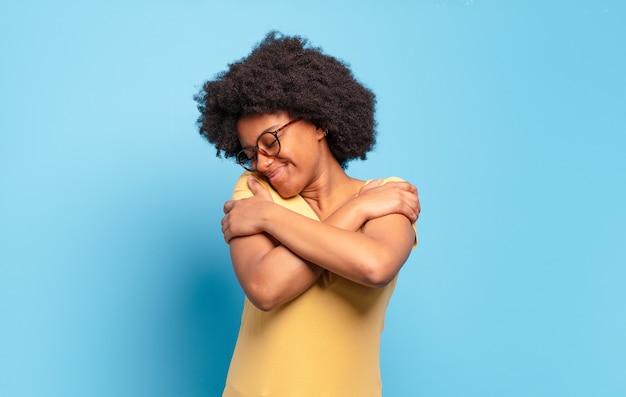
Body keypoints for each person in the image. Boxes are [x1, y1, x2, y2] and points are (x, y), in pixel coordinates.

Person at [195, 31, 420, 397]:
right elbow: (266, 288)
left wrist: (269, 219)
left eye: (271, 141)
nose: (262, 163)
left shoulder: (385, 195)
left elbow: (374, 266)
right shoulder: (254, 190)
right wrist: (357, 211)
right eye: (251, 153)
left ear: (318, 122)